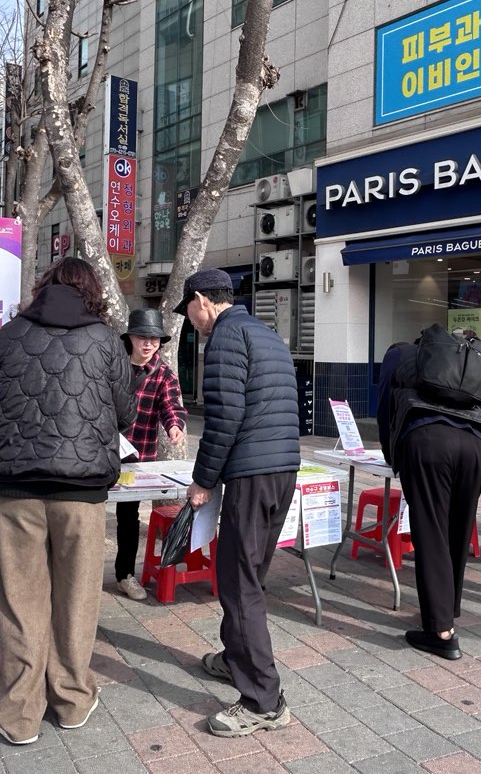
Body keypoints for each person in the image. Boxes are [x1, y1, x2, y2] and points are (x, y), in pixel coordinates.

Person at [0, 258, 135, 744]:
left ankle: (20, 713)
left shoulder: (9, 334)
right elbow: (124, 414)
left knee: (21, 600)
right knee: (78, 597)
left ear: (44, 287)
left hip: (16, 490)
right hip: (81, 494)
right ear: (91, 292)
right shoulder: (107, 340)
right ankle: (70, 699)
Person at [174, 268, 299, 737]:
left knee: (238, 583)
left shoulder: (225, 338)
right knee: (250, 576)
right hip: (282, 470)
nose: (189, 320)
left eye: (187, 309)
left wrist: (203, 479)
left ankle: (264, 700)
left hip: (250, 473)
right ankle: (234, 658)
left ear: (202, 299)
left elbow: (224, 418)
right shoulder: (265, 334)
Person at [377, 336, 481, 661]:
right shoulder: (456, 360)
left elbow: (386, 405)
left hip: (428, 440)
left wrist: (392, 455)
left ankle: (441, 632)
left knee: (431, 533)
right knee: (459, 528)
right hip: (476, 441)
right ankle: (448, 608)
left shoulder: (397, 354)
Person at [114, 308, 187, 600]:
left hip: (138, 454)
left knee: (128, 515)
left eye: (154, 340)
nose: (148, 344)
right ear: (130, 337)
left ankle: (125, 575)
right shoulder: (113, 364)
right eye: (142, 337)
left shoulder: (162, 372)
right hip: (101, 450)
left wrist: (175, 425)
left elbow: (172, 405)